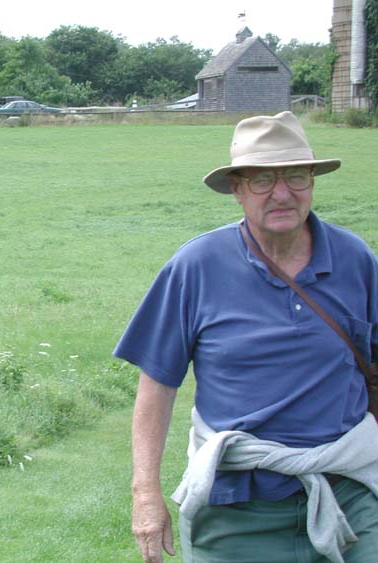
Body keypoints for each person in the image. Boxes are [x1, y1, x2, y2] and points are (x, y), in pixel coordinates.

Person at [114, 111, 378, 563]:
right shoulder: (196, 266)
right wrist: (146, 495)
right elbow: (157, 385)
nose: (282, 193)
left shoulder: (355, 258)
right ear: (236, 189)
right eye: (261, 180)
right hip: (236, 510)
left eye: (295, 176)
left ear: (312, 180)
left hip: (348, 495)